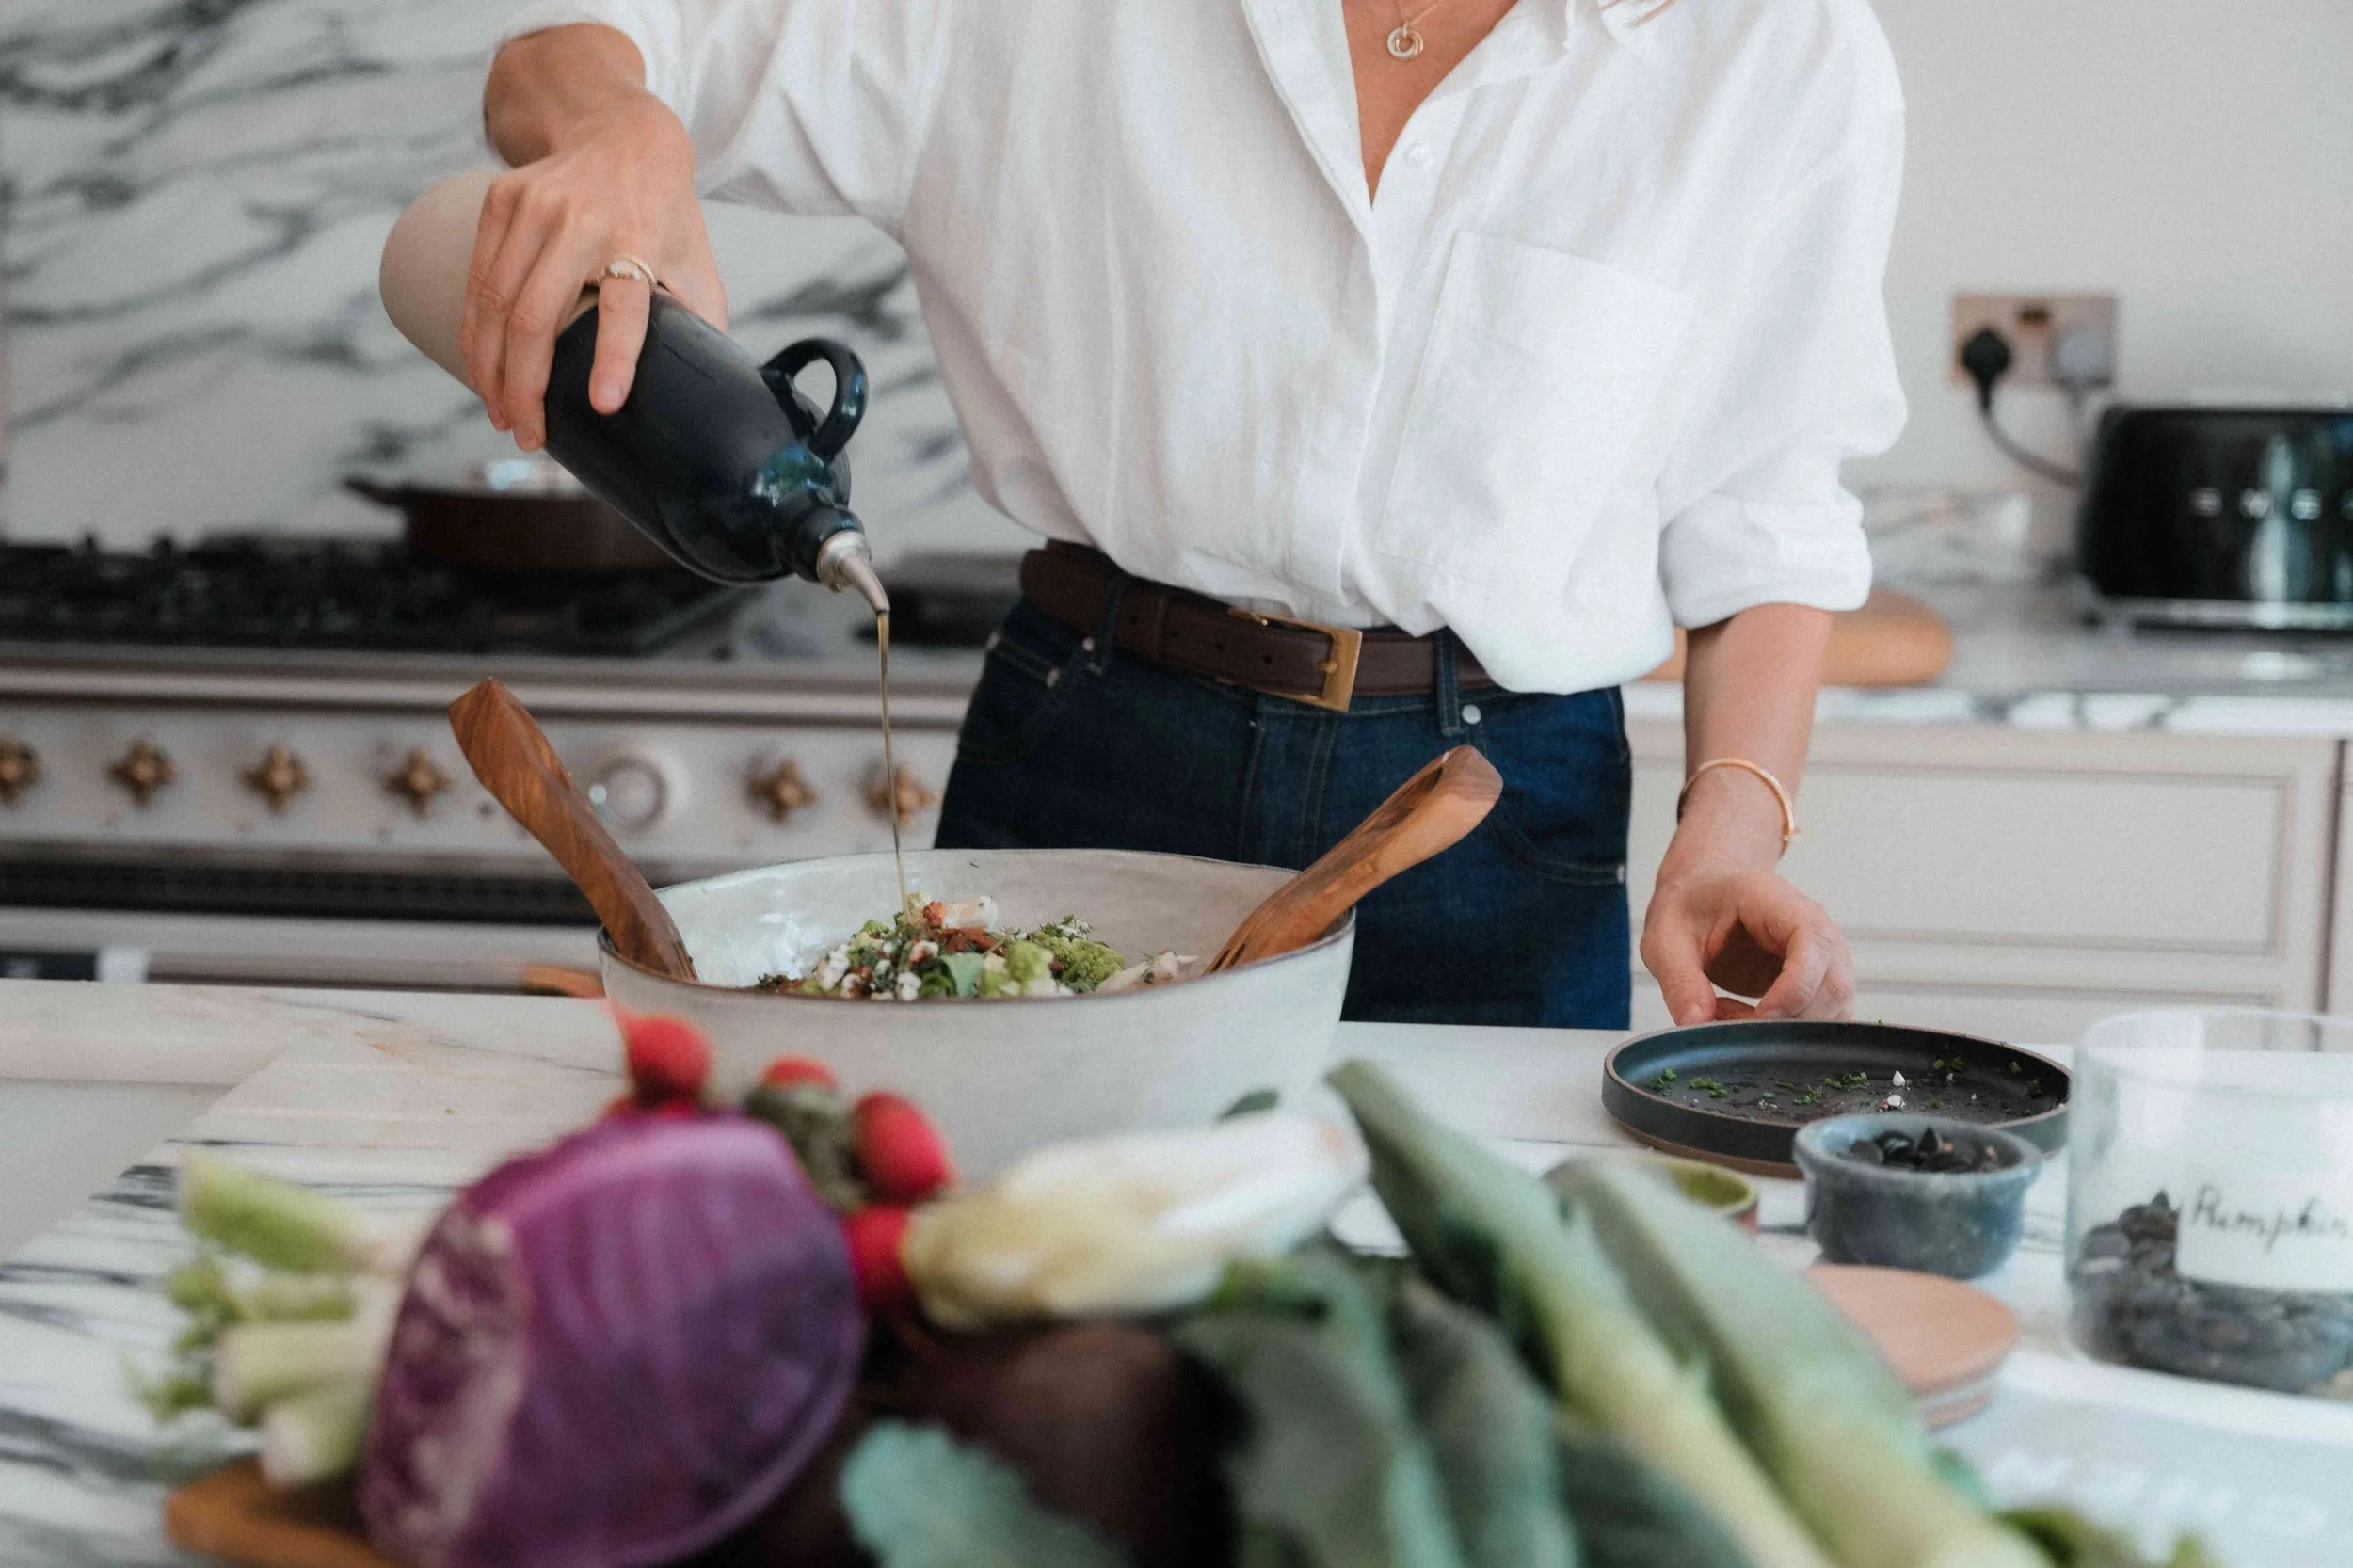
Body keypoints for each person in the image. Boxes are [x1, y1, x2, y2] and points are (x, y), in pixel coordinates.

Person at [472, 0, 1903, 1028]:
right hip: (1090, 744)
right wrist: (615, 131)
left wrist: (1729, 838)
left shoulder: (1776, 48)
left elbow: (1765, 520)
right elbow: (571, 46)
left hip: (1488, 827)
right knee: (1006, 1308)